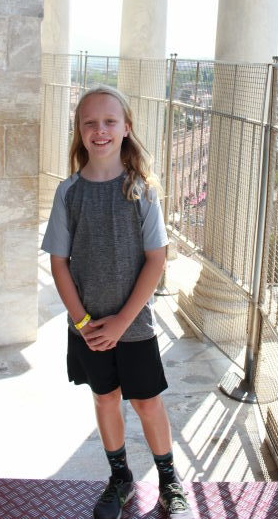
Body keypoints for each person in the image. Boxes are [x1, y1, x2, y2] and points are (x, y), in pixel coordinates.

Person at [42, 85, 193, 519]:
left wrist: (122, 322)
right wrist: (85, 321)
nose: (100, 130)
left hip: (134, 325)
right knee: (105, 398)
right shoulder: (68, 193)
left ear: (126, 128)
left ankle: (169, 482)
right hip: (87, 327)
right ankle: (120, 476)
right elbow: (59, 264)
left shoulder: (141, 190)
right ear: (79, 131)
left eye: (109, 121)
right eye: (89, 123)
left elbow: (156, 260)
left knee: (146, 402)